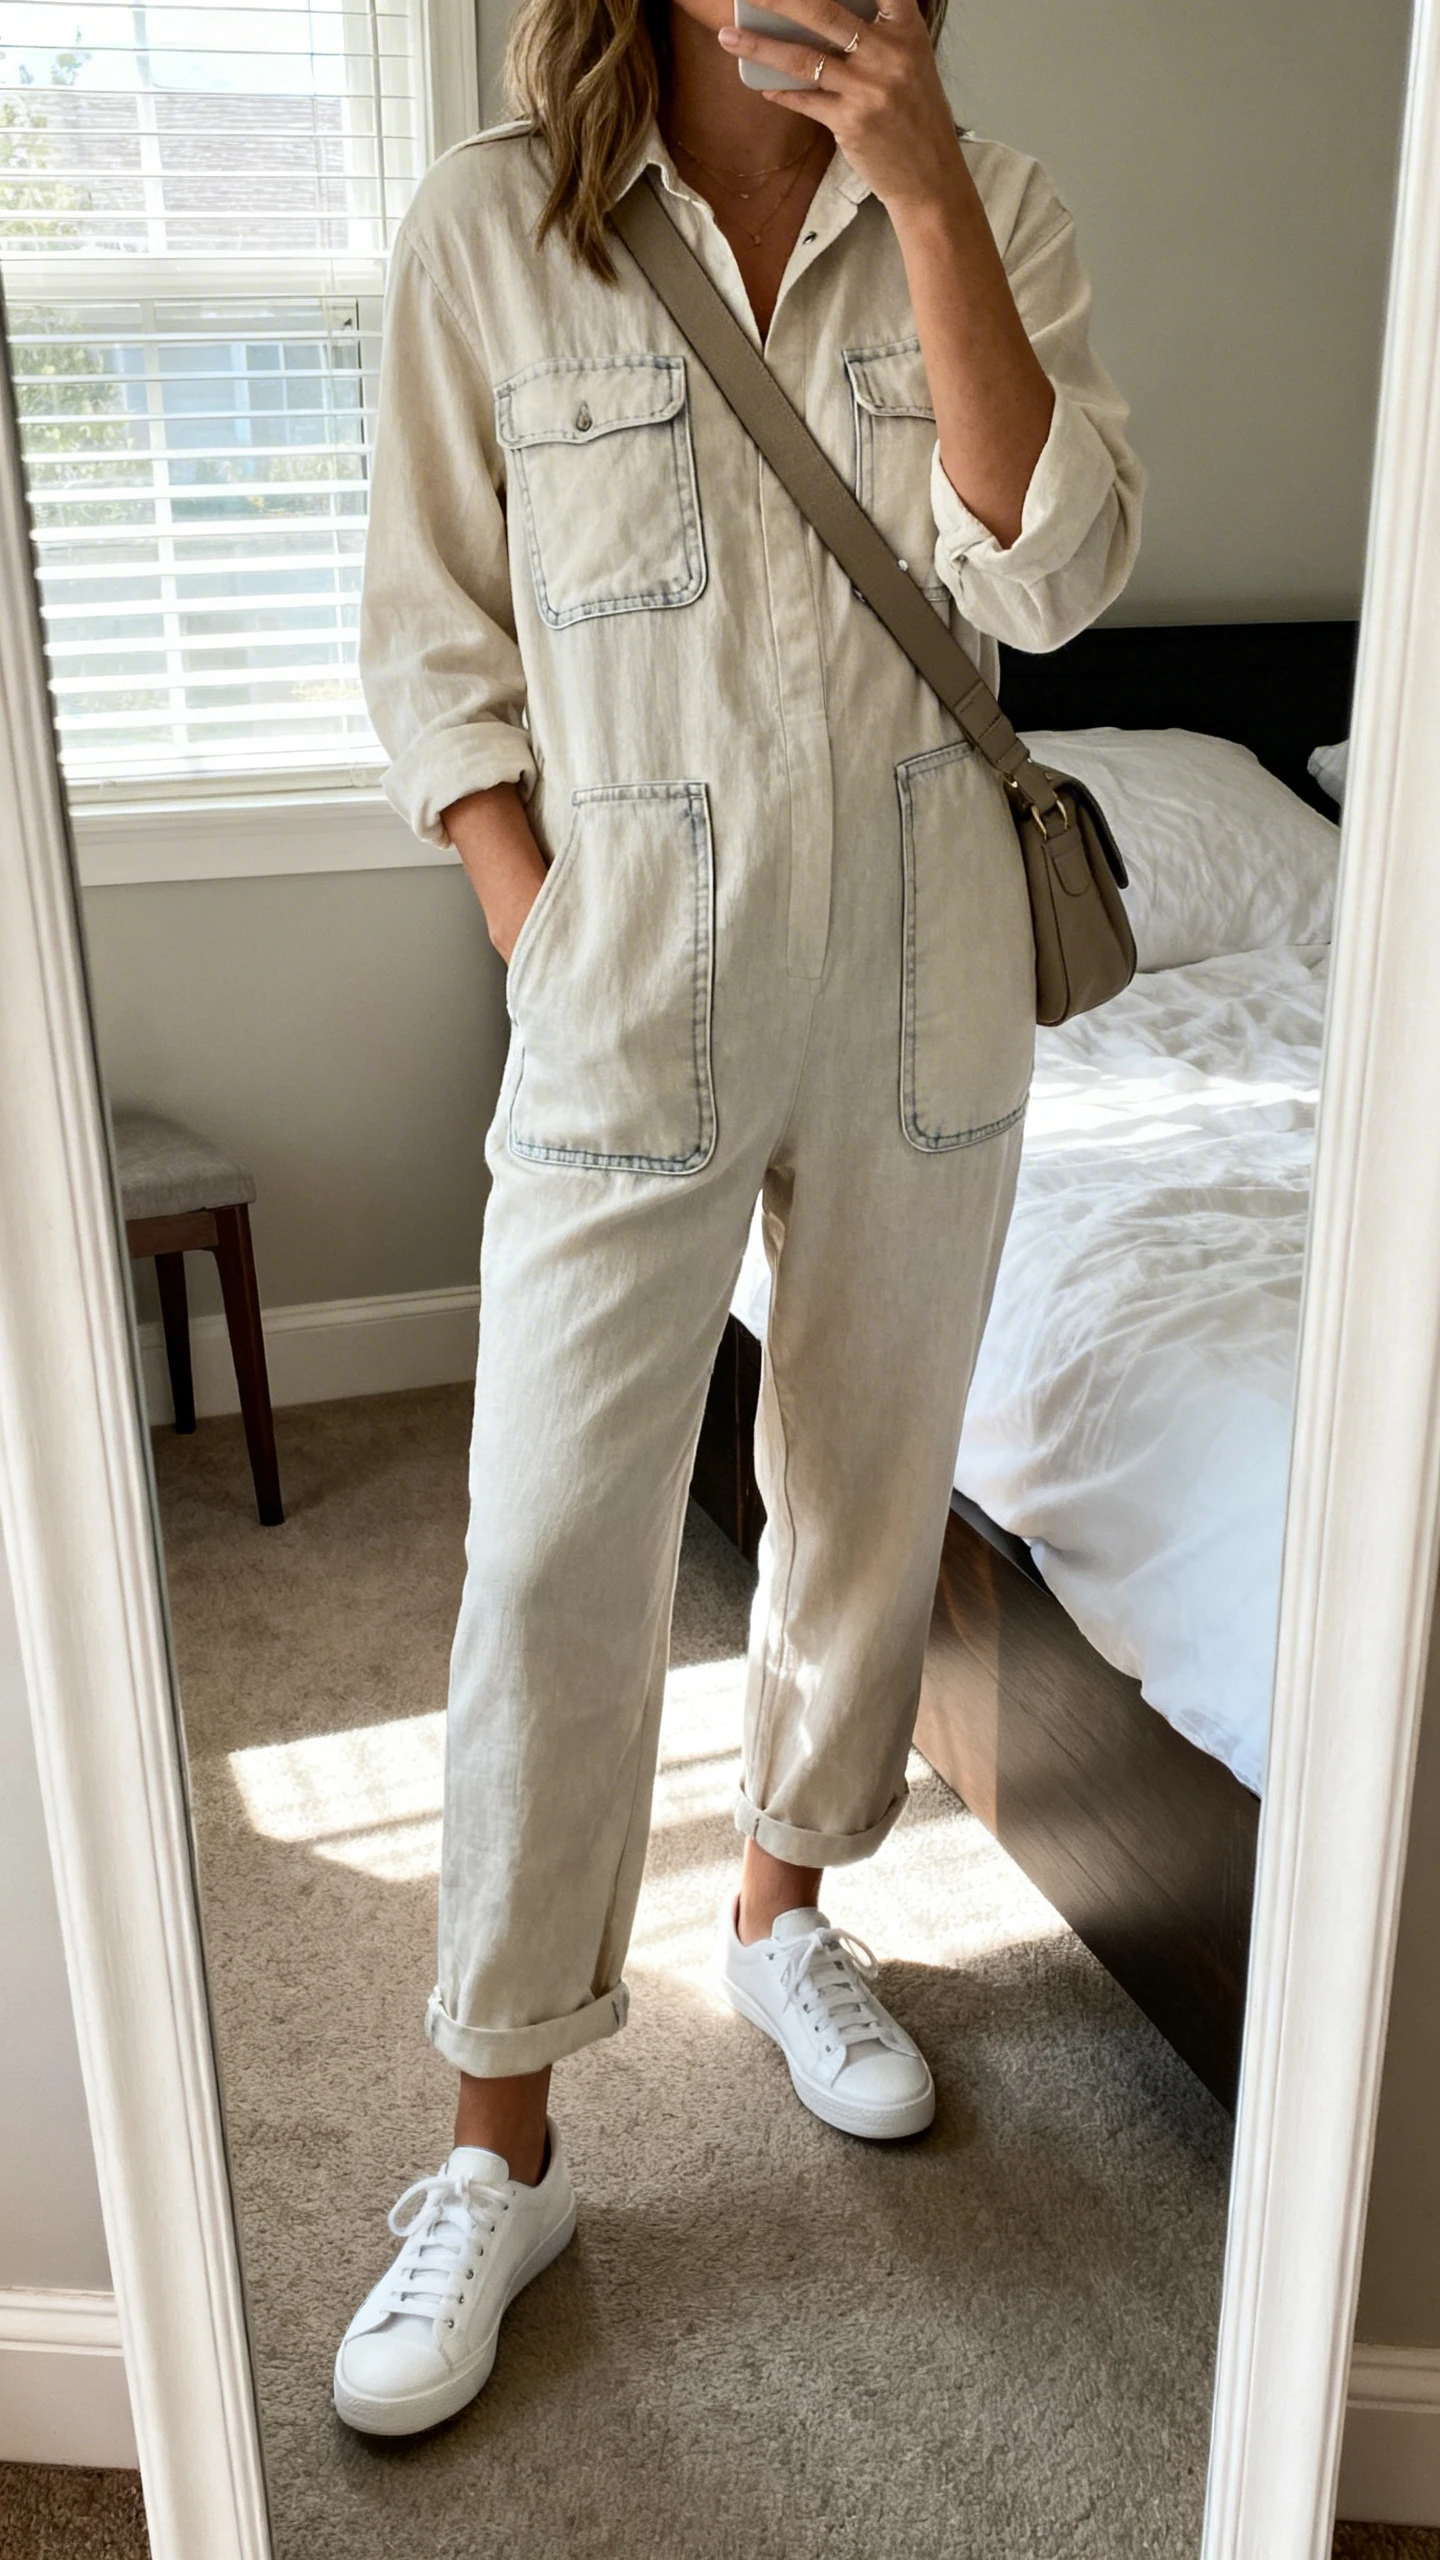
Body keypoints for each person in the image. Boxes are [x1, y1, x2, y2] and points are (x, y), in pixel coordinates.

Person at [334, 0, 1142, 2437]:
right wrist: (538, 923)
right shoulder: (496, 225)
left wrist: (920, 192)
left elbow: (1065, 570)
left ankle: (791, 1901)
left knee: (865, 1496)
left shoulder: (992, 209)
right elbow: (435, 646)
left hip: (926, 977)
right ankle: (498, 2137)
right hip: (628, 991)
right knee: (547, 1544)